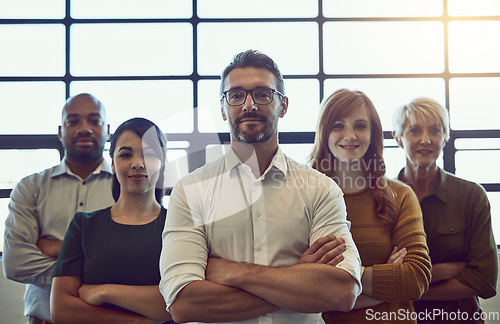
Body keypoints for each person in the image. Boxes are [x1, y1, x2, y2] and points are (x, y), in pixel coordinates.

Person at [159, 49, 362, 324]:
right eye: (236, 95)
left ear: (284, 105)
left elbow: (341, 290)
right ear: (222, 108)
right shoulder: (190, 190)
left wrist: (233, 272)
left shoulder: (321, 189)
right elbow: (184, 304)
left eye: (263, 94)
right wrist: (297, 277)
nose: (249, 105)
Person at [310, 88, 432, 323]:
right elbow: (300, 285)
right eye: (338, 125)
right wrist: (381, 284)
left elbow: (416, 277)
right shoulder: (304, 196)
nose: (350, 135)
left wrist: (343, 280)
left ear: (373, 133)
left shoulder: (400, 195)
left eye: (360, 126)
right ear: (324, 132)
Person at [3, 93, 115, 324]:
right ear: (60, 131)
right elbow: (15, 262)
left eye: (95, 121)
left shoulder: (128, 187)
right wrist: (95, 269)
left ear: (108, 130)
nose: (84, 128)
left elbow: (138, 259)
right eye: (73, 121)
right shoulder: (30, 187)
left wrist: (53, 247)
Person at [50, 117, 172, 323]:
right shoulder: (84, 225)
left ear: (162, 163)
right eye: (126, 154)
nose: (137, 163)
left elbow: (182, 302)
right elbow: (61, 309)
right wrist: (138, 321)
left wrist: (104, 292)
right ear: (113, 164)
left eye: (149, 154)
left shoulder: (178, 226)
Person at [392, 97, 498, 323]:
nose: (425, 140)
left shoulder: (472, 196)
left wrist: (406, 290)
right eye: (414, 131)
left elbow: (484, 281)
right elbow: (375, 272)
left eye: (435, 131)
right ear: (398, 138)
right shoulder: (381, 198)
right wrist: (440, 272)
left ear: (445, 137)